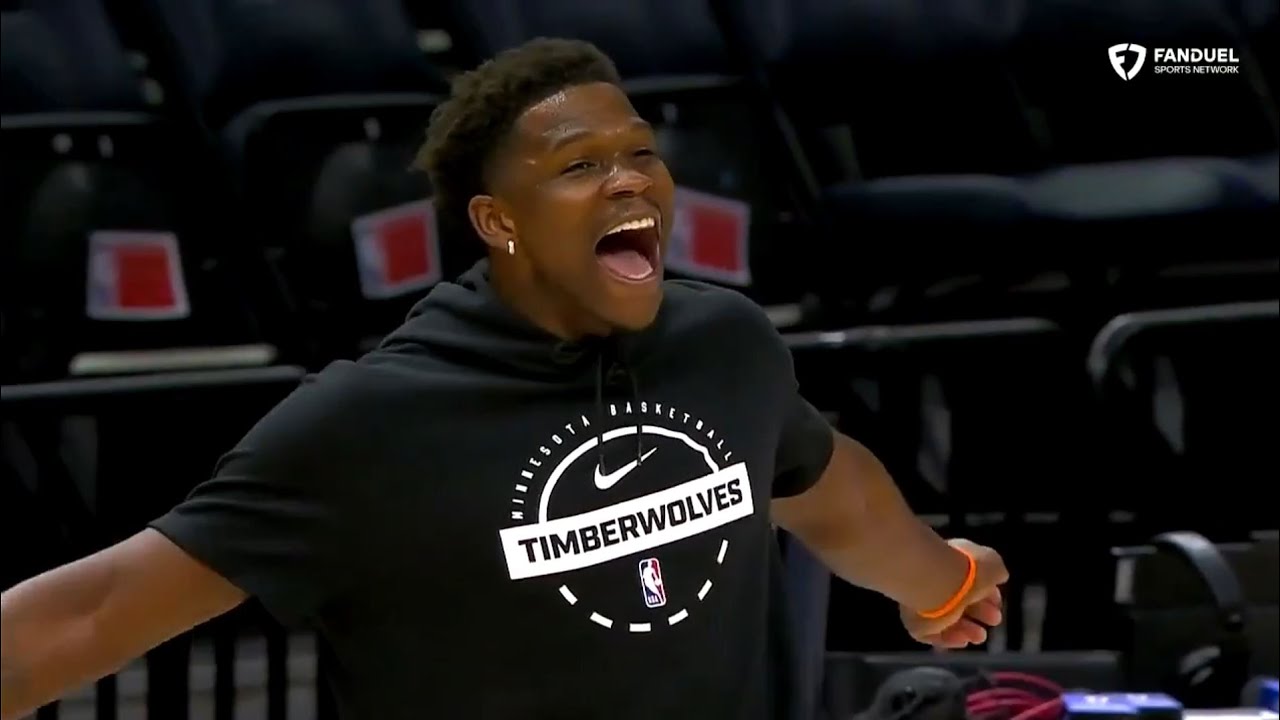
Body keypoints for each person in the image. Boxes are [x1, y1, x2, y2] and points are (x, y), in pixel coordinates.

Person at [0, 38, 1008, 719]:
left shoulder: (721, 342)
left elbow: (820, 485)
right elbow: (92, 614)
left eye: (640, 155)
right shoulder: (372, 421)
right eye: (578, 166)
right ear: (497, 221)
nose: (629, 180)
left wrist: (940, 582)